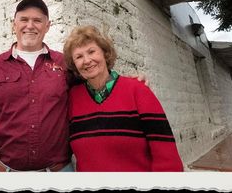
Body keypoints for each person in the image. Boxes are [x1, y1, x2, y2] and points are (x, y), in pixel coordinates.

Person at [0, 0, 75, 172]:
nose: (30, 25)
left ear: (47, 26)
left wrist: (128, 81)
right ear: (14, 24)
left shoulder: (64, 63)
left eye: (37, 20)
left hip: (60, 172)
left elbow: (94, 83)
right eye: (24, 19)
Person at [63, 25, 184, 172]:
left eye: (91, 52)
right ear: (74, 65)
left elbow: (167, 157)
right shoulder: (73, 98)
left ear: (104, 53)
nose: (87, 60)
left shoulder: (138, 90)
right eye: (79, 56)